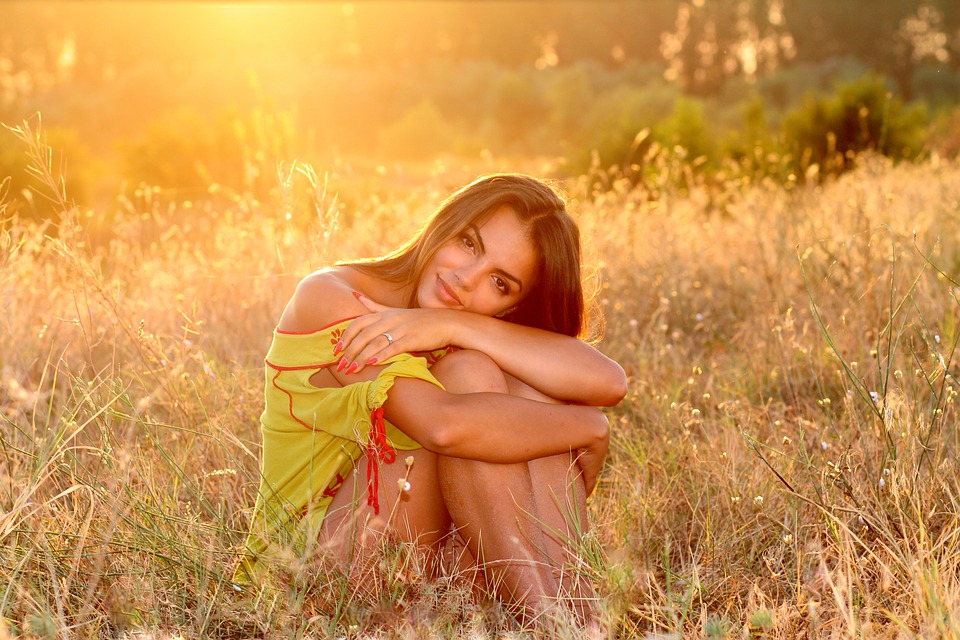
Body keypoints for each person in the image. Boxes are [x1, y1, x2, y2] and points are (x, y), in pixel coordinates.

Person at [235, 173, 627, 626]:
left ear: (512, 307)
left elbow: (609, 382)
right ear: (446, 223)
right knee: (476, 389)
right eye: (468, 243)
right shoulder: (332, 297)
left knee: (523, 392)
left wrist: (454, 325)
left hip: (432, 573)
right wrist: (589, 428)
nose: (464, 279)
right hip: (310, 577)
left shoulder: (463, 325)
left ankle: (571, 617)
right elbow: (442, 426)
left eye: (500, 283)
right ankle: (553, 622)